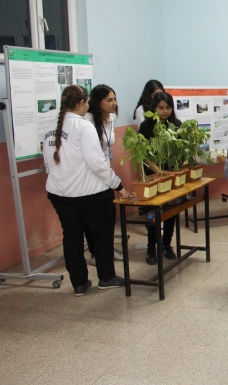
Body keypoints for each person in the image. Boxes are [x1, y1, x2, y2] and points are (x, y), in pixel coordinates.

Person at [42, 85, 128, 296]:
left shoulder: (49, 126)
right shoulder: (84, 126)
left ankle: (79, 283)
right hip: (90, 194)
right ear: (81, 103)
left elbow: (48, 164)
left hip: (59, 194)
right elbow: (97, 164)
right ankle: (106, 278)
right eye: (87, 101)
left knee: (72, 237)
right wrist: (118, 185)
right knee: (102, 234)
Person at [138, 91, 182, 265]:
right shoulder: (146, 126)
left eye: (168, 107)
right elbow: (143, 153)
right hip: (152, 175)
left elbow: (179, 151)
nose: (164, 111)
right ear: (154, 108)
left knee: (170, 212)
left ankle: (166, 246)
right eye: (161, 108)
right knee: (152, 214)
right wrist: (157, 170)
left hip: (170, 175)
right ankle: (151, 248)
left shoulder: (176, 125)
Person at [84, 84, 124, 264]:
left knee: (109, 213)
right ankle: (95, 253)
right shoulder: (88, 120)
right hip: (91, 172)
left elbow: (107, 144)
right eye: (109, 100)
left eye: (114, 99)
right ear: (98, 102)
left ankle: (106, 249)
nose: (114, 103)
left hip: (105, 170)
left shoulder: (111, 117)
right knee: (94, 216)